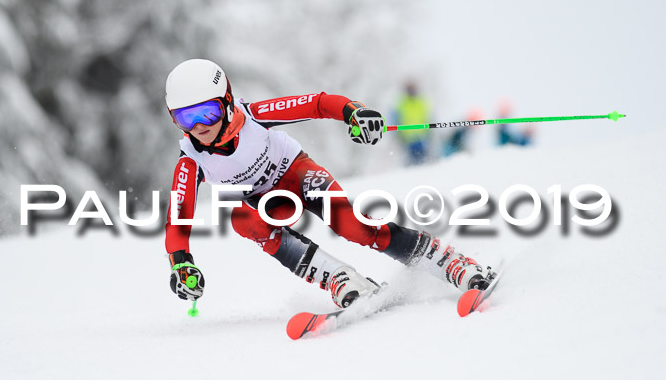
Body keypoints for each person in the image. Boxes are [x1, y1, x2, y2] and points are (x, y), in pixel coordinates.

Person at [164, 59, 495, 308]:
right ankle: (338, 276)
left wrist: (354, 112)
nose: (198, 126)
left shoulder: (252, 115)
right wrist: (181, 263)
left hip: (297, 173)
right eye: (184, 118)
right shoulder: (191, 161)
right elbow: (178, 219)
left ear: (225, 101)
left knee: (353, 226)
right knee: (240, 219)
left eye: (205, 112)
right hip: (267, 205)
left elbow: (318, 103)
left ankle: (450, 262)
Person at [392, 81, 432, 165]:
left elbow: (428, 117)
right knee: (411, 161)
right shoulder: (401, 103)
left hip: (421, 136)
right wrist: (398, 134)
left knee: (422, 160)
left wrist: (429, 132)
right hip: (407, 138)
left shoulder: (421, 102)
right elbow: (396, 119)